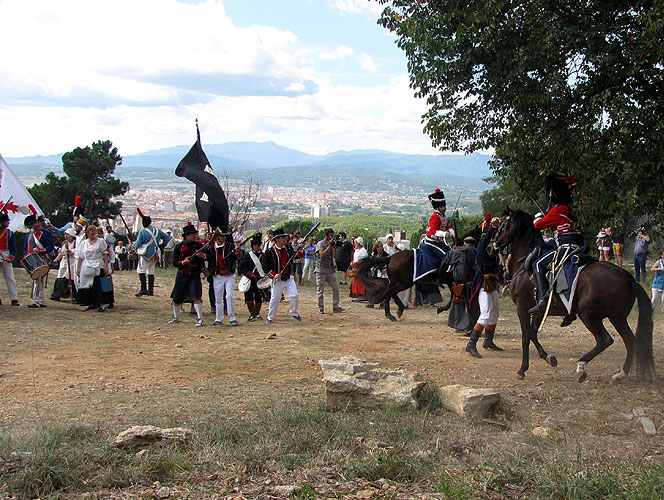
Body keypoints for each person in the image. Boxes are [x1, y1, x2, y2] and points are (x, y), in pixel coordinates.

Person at [529, 175, 584, 313]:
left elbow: (538, 225)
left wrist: (538, 218)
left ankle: (542, 299)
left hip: (566, 248)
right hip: (579, 247)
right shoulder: (571, 210)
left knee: (537, 264)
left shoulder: (557, 210)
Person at [466, 224, 503, 357]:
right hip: (483, 284)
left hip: (492, 283)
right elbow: (486, 240)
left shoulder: (492, 249)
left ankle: (488, 341)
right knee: (486, 314)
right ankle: (470, 345)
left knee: (494, 314)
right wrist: (491, 228)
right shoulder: (482, 245)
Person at [263, 228, 304, 323]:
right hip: (278, 280)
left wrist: (300, 250)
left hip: (288, 277)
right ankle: (270, 316)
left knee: (294, 295)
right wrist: (274, 275)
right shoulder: (270, 252)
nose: (284, 239)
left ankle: (294, 312)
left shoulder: (288, 248)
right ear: (277, 239)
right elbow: (265, 267)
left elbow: (296, 257)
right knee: (275, 299)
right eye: (282, 237)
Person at [170, 224, 206, 326]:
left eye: (195, 234)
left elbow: (206, 258)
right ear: (187, 235)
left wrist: (203, 256)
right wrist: (183, 262)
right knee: (177, 297)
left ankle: (200, 318)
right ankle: (176, 317)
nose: (195, 236)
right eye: (192, 234)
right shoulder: (178, 247)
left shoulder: (199, 246)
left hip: (194, 274)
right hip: (182, 274)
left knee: (196, 296)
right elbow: (175, 262)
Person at [443, 236, 480, 333]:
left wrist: (453, 250)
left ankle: (464, 326)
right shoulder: (477, 252)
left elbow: (447, 260)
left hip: (461, 284)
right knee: (473, 307)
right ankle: (470, 326)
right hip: (472, 284)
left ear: (464, 243)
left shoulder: (458, 252)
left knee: (460, 306)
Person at [207, 230, 242, 326]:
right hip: (217, 276)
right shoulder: (211, 248)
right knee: (218, 298)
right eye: (222, 236)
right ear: (217, 237)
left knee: (229, 296)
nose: (224, 238)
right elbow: (209, 260)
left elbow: (238, 257)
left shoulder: (230, 246)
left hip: (229, 275)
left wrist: (237, 252)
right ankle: (219, 318)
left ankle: (232, 318)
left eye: (225, 236)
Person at [134, 208, 171, 297]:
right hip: (155, 253)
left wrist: (134, 244)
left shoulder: (142, 232)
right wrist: (162, 246)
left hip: (145, 254)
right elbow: (166, 237)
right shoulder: (157, 230)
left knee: (141, 270)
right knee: (151, 271)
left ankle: (143, 289)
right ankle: (150, 290)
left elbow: (138, 244)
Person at [76, 224, 110, 312]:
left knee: (98, 285)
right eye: (91, 231)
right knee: (87, 285)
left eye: (94, 231)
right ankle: (91, 303)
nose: (93, 232)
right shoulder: (83, 243)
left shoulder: (101, 241)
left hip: (98, 265)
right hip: (86, 265)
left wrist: (106, 266)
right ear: (87, 232)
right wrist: (78, 268)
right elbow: (80, 257)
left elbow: (105, 254)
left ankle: (101, 304)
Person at [24, 215, 55, 308]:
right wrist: (26, 257)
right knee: (38, 280)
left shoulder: (46, 233)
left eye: (38, 222)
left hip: (42, 258)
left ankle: (36, 301)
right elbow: (25, 248)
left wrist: (41, 250)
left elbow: (50, 246)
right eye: (35, 223)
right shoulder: (29, 235)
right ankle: (41, 301)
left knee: (37, 279)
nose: (37, 224)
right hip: (32, 259)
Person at [238, 234, 269, 321]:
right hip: (250, 279)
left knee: (259, 297)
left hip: (260, 279)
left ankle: (257, 313)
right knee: (249, 297)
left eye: (258, 245)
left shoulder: (263, 256)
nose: (257, 247)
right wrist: (249, 274)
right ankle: (252, 314)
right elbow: (241, 267)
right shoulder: (248, 255)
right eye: (255, 245)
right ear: (252, 246)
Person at [315, 228, 344, 314]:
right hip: (321, 269)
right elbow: (321, 255)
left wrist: (334, 248)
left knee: (336, 289)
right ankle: (320, 307)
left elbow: (335, 256)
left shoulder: (331, 244)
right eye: (330, 235)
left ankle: (335, 306)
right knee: (320, 290)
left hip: (330, 269)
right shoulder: (320, 243)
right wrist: (329, 247)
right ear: (326, 235)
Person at [49, 228, 77, 301]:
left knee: (69, 278)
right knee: (60, 277)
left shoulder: (75, 243)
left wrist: (71, 251)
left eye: (68, 235)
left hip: (72, 262)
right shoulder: (65, 243)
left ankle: (72, 295)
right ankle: (56, 294)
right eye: (65, 234)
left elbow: (78, 251)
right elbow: (61, 253)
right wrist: (55, 261)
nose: (66, 236)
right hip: (64, 262)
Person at [0, 212, 20, 306]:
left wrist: (11, 257)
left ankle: (14, 298)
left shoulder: (10, 233)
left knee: (10, 278)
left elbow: (13, 248)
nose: (8, 223)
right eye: (6, 221)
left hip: (6, 254)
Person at [349, 237, 368, 301]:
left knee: (360, 282)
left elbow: (363, 261)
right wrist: (352, 263)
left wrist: (356, 263)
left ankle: (362, 295)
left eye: (356, 243)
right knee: (355, 281)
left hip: (361, 268)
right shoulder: (357, 250)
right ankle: (356, 295)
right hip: (355, 268)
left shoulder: (363, 251)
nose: (355, 244)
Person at [651, 249, 664, 314]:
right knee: (654, 299)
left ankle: (663, 312)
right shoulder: (658, 262)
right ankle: (651, 311)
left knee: (663, 300)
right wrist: (660, 269)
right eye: (663, 254)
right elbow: (652, 269)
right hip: (657, 283)